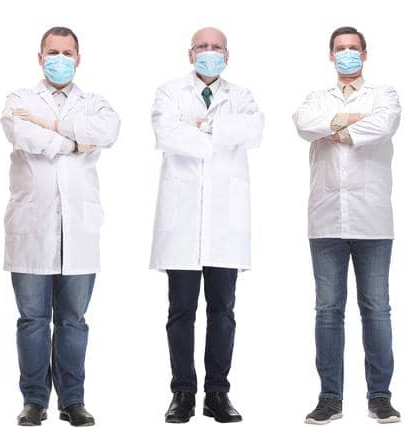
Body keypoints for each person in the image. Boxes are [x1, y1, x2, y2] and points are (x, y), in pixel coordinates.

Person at [2, 26, 120, 427]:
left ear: (78, 58)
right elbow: (21, 133)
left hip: (81, 230)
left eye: (67, 52)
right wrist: (72, 142)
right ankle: (34, 401)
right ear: (39, 57)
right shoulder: (19, 100)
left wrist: (49, 127)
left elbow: (108, 132)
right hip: (31, 228)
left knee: (73, 321)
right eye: (52, 52)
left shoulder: (95, 102)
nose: (59, 58)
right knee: (33, 320)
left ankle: (73, 401)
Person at [150, 26, 263, 424]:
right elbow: (166, 133)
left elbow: (253, 132)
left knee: (223, 311)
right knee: (180, 310)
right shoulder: (169, 92)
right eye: (202, 47)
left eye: (216, 47)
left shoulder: (242, 96)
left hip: (225, 224)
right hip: (181, 222)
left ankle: (217, 393)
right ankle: (182, 394)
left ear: (227, 55)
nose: (209, 53)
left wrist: (199, 126)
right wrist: (216, 133)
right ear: (190, 53)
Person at [291, 26, 403, 425]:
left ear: (366, 54)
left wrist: (337, 128)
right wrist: (351, 120)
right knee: (327, 310)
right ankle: (330, 398)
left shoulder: (384, 95)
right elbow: (304, 123)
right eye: (340, 49)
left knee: (377, 309)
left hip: (372, 219)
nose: (347, 54)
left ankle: (380, 397)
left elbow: (384, 124)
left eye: (354, 48)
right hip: (325, 221)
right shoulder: (315, 99)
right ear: (330, 56)